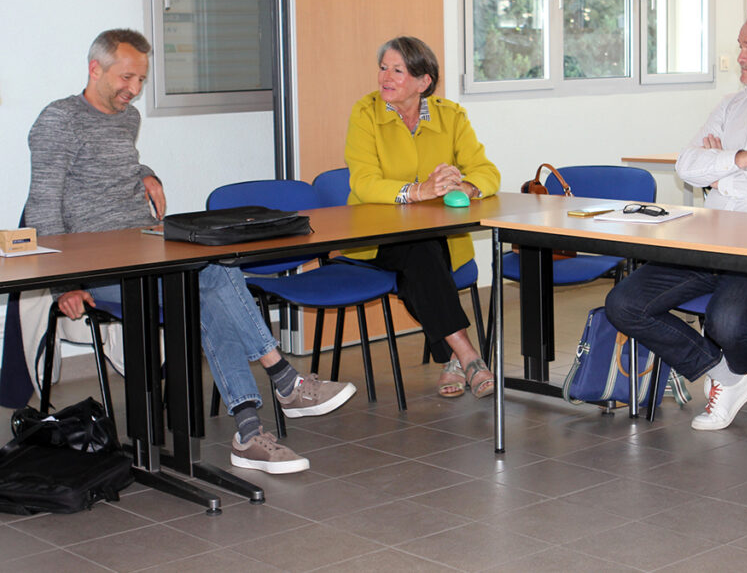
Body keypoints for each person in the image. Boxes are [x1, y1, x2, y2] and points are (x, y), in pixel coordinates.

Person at [24, 28, 356, 475]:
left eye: (142, 80)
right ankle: (281, 381)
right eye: (126, 78)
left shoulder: (126, 117)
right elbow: (42, 208)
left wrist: (146, 172)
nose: (134, 90)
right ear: (94, 69)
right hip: (102, 269)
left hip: (145, 249)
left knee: (211, 274)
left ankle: (250, 431)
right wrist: (64, 285)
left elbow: (112, 164)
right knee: (212, 279)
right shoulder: (59, 120)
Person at [605, 10, 747, 430]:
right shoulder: (733, 105)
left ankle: (731, 372)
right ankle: (729, 376)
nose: (740, 57)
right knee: (624, 303)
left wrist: (721, 174)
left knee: (726, 321)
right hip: (713, 238)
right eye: (740, 47)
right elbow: (687, 166)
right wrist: (742, 159)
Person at [344, 36, 500, 398]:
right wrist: (419, 191)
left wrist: (465, 188)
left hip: (436, 239)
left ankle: (455, 359)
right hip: (376, 237)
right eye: (383, 68)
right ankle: (467, 355)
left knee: (420, 259)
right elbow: (364, 183)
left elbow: (487, 171)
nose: (385, 77)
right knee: (420, 251)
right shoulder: (365, 113)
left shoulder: (451, 116)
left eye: (397, 70)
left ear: (423, 81)